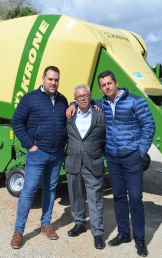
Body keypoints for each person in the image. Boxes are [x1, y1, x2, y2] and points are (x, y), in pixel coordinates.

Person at [66, 70, 155, 257]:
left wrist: (141, 151)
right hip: (113, 158)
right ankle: (124, 233)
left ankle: (140, 240)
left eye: (109, 83)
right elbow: (84, 101)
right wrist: (73, 103)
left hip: (132, 156)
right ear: (101, 88)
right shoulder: (103, 103)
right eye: (103, 85)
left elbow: (149, 125)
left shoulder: (135, 101)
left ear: (116, 83)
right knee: (119, 197)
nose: (107, 87)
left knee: (136, 198)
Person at [10, 66, 69, 249]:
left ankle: (45, 224)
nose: (53, 83)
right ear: (43, 78)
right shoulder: (30, 98)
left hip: (56, 153)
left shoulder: (62, 100)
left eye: (56, 79)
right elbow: (16, 122)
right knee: (29, 191)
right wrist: (30, 145)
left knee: (50, 190)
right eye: (50, 79)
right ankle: (19, 232)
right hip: (38, 154)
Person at [65, 84, 106, 250]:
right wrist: (71, 105)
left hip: (93, 163)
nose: (82, 98)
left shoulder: (99, 115)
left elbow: (105, 137)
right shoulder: (69, 115)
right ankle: (79, 223)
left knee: (95, 198)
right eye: (79, 97)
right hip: (73, 162)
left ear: (90, 96)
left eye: (85, 95)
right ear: (75, 99)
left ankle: (97, 233)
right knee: (76, 196)